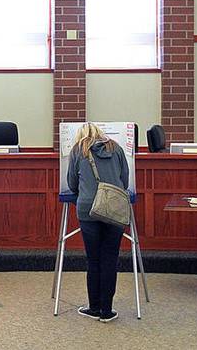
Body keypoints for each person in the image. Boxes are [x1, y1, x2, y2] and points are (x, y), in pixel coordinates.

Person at [67, 123, 129, 323]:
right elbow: (124, 180)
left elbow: (71, 183)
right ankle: (107, 311)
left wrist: (86, 192)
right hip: (114, 208)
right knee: (110, 258)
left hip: (88, 210)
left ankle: (94, 307)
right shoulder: (116, 148)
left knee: (93, 259)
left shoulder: (78, 149)